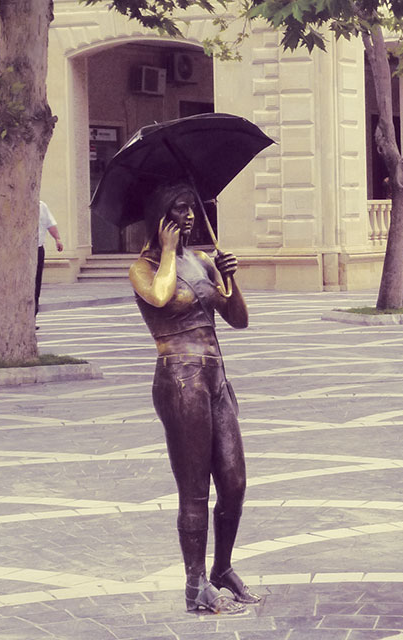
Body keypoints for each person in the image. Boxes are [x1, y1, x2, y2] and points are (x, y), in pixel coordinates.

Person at [129, 183, 259, 615]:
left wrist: (229, 277)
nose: (189, 215)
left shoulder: (203, 260)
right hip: (179, 378)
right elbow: (162, 296)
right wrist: (166, 251)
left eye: (191, 207)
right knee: (194, 490)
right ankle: (195, 584)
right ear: (160, 216)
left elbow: (238, 320)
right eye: (178, 208)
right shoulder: (144, 267)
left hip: (216, 376)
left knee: (235, 482)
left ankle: (221, 568)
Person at [35, 201, 63, 317]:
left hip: (38, 249)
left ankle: (32, 318)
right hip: (20, 251)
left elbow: (50, 224)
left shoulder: (42, 206)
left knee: (36, 284)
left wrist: (57, 238)